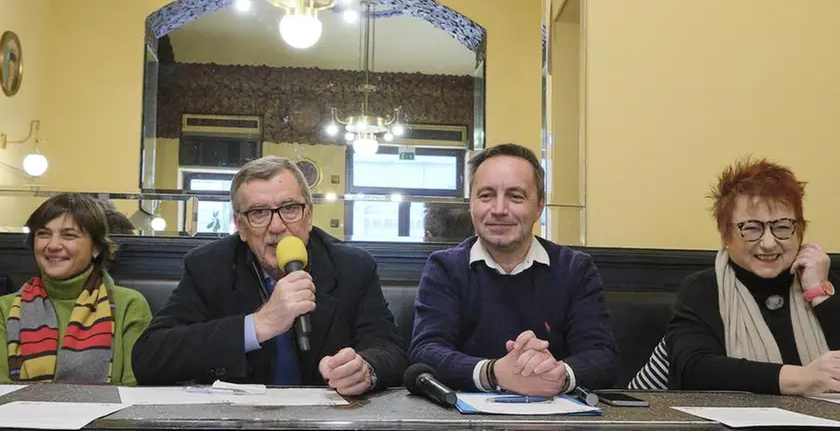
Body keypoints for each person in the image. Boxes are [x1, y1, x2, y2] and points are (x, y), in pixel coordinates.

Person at [132, 156, 406, 394]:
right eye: (259, 213)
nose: (277, 226)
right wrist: (257, 325)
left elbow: (389, 349)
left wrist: (365, 369)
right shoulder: (209, 266)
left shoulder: (352, 267)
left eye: (289, 208)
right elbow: (149, 356)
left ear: (309, 216)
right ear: (240, 225)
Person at [409, 143, 618, 395]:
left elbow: (602, 356)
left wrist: (557, 375)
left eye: (515, 196)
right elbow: (426, 351)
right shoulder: (445, 267)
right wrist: (494, 372)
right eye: (486, 195)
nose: (499, 209)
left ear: (539, 206)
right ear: (471, 204)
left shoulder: (575, 268)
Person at [667, 158, 840, 395]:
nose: (768, 243)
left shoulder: (826, 284)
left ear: (799, 230)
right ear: (727, 236)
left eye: (781, 226)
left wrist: (819, 293)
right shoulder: (704, 289)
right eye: (751, 228)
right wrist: (802, 378)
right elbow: (693, 370)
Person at [0, 193, 152, 384]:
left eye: (69, 235)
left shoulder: (129, 305)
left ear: (96, 247)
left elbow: (135, 390)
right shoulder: (4, 309)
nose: (53, 245)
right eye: (43, 234)